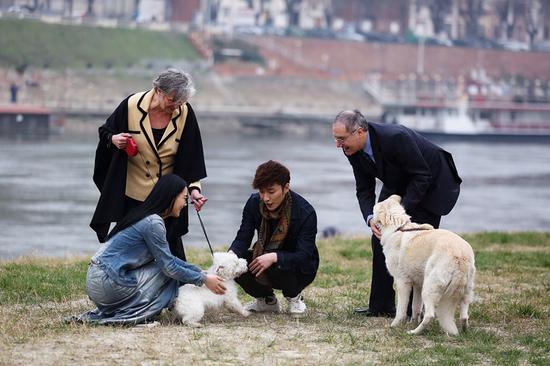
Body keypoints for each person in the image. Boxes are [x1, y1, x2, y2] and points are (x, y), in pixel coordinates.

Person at [332, 110, 462, 317]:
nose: (338, 145)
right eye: (336, 139)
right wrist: (371, 218)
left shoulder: (396, 137)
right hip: (398, 182)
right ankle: (381, 306)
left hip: (432, 182)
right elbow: (364, 189)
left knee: (417, 245)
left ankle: (414, 311)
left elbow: (422, 176)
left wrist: (399, 215)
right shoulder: (351, 149)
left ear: (359, 132)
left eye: (341, 139)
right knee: (381, 238)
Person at [73, 174, 226, 325]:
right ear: (171, 197)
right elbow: (169, 268)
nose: (185, 204)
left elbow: (170, 260)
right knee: (169, 273)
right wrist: (203, 279)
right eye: (184, 198)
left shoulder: (146, 216)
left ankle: (135, 308)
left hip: (98, 281)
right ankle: (139, 314)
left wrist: (200, 273)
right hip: (106, 282)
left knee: (167, 267)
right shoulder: (153, 222)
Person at [90, 68, 208, 261]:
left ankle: (176, 288)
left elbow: (192, 157)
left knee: (170, 250)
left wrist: (194, 190)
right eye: (172, 100)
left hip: (169, 197)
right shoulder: (130, 105)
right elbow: (105, 132)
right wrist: (114, 139)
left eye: (181, 102)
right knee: (128, 249)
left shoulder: (185, 112)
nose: (176, 106)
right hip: (133, 194)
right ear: (158, 90)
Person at [229, 160, 319, 316]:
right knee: (237, 262)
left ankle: (294, 297)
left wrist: (275, 256)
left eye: (271, 192)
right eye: (261, 192)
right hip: (265, 255)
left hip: (299, 267)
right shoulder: (253, 203)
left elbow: (304, 255)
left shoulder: (305, 212)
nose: (266, 198)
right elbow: (243, 237)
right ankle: (267, 301)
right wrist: (230, 256)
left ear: (286, 188)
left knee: (277, 264)